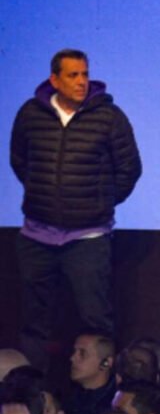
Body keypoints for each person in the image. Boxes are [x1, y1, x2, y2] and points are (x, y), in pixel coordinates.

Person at [10, 49, 142, 370]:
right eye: (73, 75)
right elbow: (20, 161)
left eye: (84, 74)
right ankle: (36, 397)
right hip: (37, 236)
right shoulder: (31, 113)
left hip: (88, 237)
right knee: (35, 320)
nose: (81, 81)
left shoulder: (109, 117)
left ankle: (100, 399)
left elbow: (129, 169)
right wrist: (44, 196)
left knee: (95, 320)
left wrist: (100, 203)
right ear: (54, 79)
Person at [61, 332, 117, 414]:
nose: (72, 358)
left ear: (106, 363)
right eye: (74, 352)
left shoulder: (115, 404)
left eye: (82, 353)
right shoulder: (66, 397)